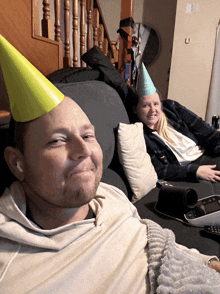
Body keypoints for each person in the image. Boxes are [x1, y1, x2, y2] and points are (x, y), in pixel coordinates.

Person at [0, 35, 220, 294]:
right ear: (18, 163)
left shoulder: (109, 194)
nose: (83, 151)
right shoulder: (10, 270)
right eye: (58, 140)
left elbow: (152, 242)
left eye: (88, 135)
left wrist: (210, 262)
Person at [130, 62, 220, 182]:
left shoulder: (172, 108)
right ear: (136, 109)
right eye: (146, 105)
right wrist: (195, 171)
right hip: (188, 169)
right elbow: (159, 169)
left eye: (156, 104)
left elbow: (207, 132)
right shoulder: (140, 135)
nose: (153, 110)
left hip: (206, 155)